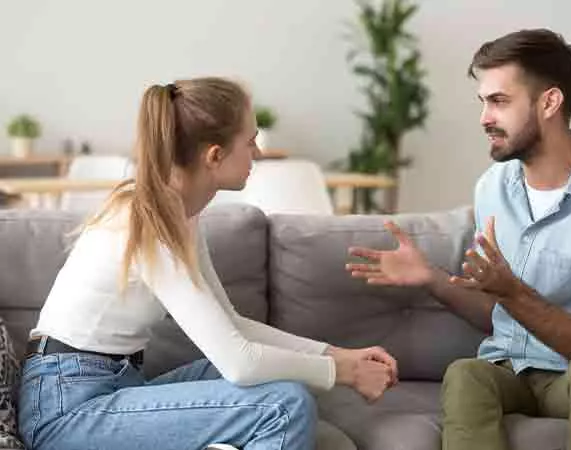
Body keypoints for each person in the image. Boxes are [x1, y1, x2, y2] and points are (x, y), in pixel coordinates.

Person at [18, 77, 398, 450]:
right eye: (250, 143)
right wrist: (346, 373)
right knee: (284, 407)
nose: (259, 154)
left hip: (116, 385)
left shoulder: (180, 213)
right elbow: (240, 363)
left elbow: (231, 326)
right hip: (67, 408)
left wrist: (337, 354)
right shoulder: (148, 220)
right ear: (214, 156)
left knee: (277, 381)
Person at [346, 29, 571, 450]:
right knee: (466, 374)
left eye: (499, 101)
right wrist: (431, 278)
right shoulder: (493, 187)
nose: (484, 118)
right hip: (510, 370)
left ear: (549, 102)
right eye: (484, 102)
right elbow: (497, 312)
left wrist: (511, 291)